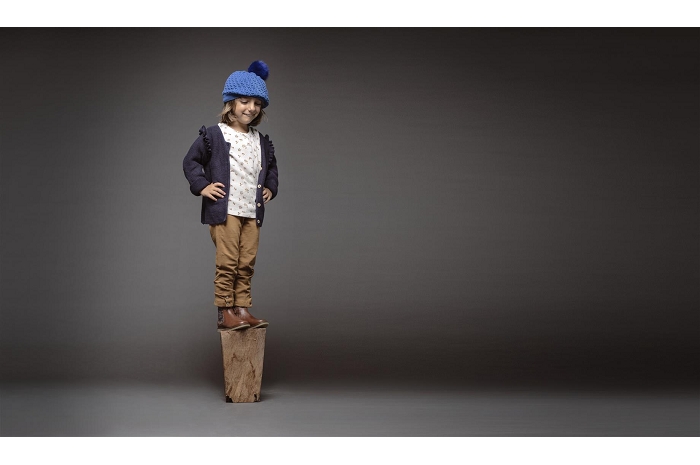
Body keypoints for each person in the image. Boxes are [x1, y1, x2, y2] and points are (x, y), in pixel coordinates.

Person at [183, 60, 278, 331]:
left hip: (251, 211)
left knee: (246, 262)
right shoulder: (215, 135)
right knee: (228, 262)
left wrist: (270, 187)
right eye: (244, 101)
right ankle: (225, 311)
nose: (251, 108)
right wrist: (202, 186)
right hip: (226, 212)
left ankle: (242, 309)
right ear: (230, 103)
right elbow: (191, 161)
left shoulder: (260, 139)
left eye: (257, 103)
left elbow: (271, 167)